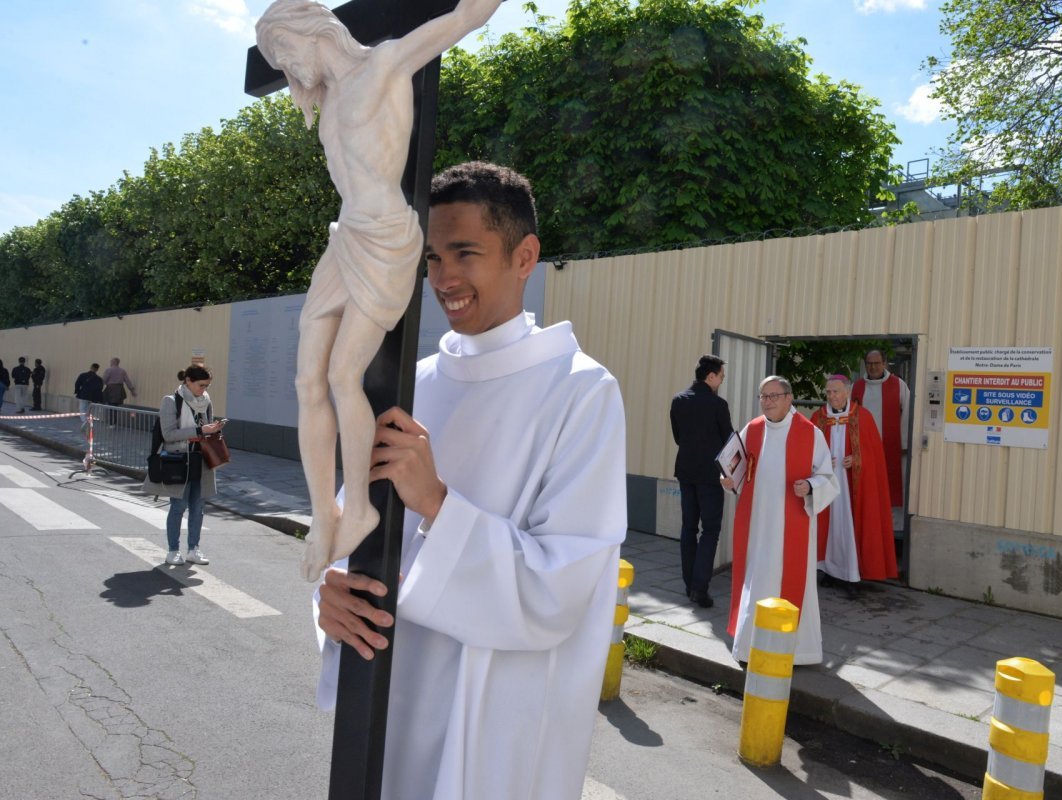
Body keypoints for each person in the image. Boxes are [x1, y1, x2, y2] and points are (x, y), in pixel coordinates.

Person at [313, 162, 626, 800]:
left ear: (524, 256)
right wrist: (330, 594)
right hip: (389, 692)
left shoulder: (582, 391)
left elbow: (563, 584)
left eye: (465, 253)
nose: (443, 278)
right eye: (432, 257)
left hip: (492, 720)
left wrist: (436, 501)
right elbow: (349, 524)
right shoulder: (411, 383)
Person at [256, 0, 503, 580]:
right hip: (344, 239)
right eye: (276, 60)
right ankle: (325, 513)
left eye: (285, 50)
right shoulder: (329, 97)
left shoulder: (387, 63)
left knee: (344, 376)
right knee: (305, 378)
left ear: (312, 31)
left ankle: (360, 508)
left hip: (386, 237)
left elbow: (465, 16)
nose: (287, 65)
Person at [721, 376, 838, 666]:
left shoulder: (810, 433)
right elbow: (737, 467)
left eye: (774, 396)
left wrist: (810, 486)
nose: (768, 401)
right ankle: (749, 647)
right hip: (758, 526)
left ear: (789, 398)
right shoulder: (753, 429)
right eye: (763, 396)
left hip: (792, 526)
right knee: (756, 580)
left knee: (791, 580)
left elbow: (828, 479)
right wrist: (727, 480)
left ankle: (797, 651)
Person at [812, 375, 898, 592]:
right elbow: (807, 451)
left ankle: (851, 574)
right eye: (829, 392)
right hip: (827, 483)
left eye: (837, 391)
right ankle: (829, 570)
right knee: (828, 527)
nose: (832, 396)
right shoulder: (818, 418)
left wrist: (859, 459)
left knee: (848, 526)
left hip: (852, 486)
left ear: (848, 392)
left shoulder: (863, 417)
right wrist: (820, 461)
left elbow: (875, 455)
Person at [142, 366, 225, 566]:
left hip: (202, 459)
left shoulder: (205, 400)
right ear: (188, 380)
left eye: (207, 386)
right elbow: (168, 434)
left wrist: (214, 430)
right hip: (179, 459)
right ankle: (173, 550)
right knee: (178, 506)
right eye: (200, 385)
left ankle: (193, 549)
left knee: (198, 507)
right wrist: (199, 429)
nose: (203, 389)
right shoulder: (170, 401)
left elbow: (206, 427)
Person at [669, 354, 734, 608]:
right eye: (721, 376)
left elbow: (677, 437)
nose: (722, 381)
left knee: (688, 528)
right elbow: (729, 441)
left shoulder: (678, 400)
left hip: (685, 471)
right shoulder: (718, 405)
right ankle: (700, 587)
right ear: (711, 376)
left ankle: (689, 584)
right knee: (710, 529)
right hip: (710, 475)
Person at [852, 350, 910, 521]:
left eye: (877, 363)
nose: (873, 367)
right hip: (864, 447)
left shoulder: (898, 385)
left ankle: (893, 525)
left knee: (890, 487)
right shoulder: (857, 387)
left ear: (885, 363)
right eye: (870, 363)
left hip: (890, 447)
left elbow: (907, 412)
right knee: (867, 487)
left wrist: (904, 442)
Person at [101, 357, 137, 424]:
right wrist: (132, 390)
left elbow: (103, 380)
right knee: (116, 407)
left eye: (111, 362)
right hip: (119, 389)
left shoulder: (108, 370)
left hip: (110, 389)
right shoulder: (122, 371)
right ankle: (114, 422)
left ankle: (110, 422)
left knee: (109, 405)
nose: (110, 363)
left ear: (113, 362)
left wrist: (99, 389)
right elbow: (127, 381)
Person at [74, 363, 104, 431]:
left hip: (84, 395)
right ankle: (89, 423)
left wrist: (78, 392)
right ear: (97, 369)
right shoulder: (99, 379)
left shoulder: (83, 375)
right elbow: (100, 388)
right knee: (90, 411)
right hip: (94, 398)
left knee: (82, 410)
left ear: (90, 367)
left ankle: (85, 423)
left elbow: (77, 384)